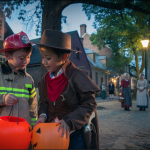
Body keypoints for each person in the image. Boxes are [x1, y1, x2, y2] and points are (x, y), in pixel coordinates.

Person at [33, 29, 100, 149]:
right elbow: (44, 103)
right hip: (51, 134)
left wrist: (69, 121)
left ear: (63, 57)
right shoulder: (44, 80)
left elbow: (89, 104)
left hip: (74, 135)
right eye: (42, 58)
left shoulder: (77, 76)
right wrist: (42, 115)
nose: (44, 62)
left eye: (48, 58)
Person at [0, 31, 38, 127]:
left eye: (28, 57)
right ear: (8, 55)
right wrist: (3, 99)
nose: (26, 61)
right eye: (21, 57)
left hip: (23, 131)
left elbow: (33, 107)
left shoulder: (29, 79)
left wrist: (33, 127)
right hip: (3, 131)